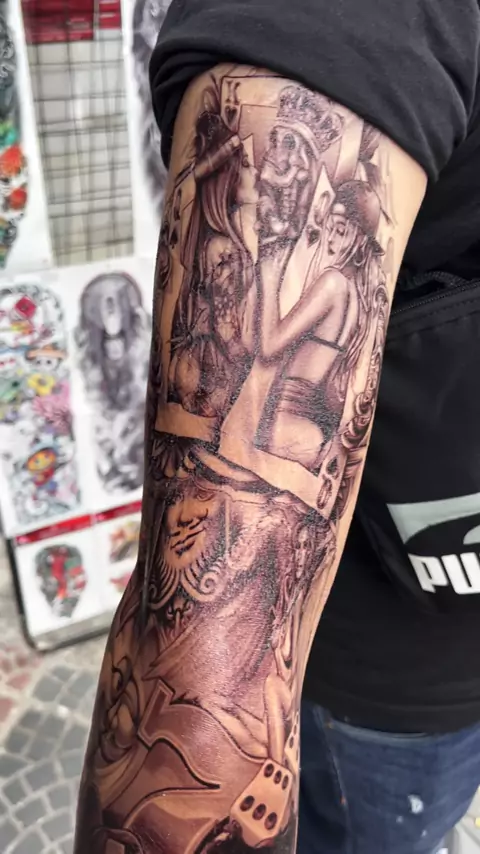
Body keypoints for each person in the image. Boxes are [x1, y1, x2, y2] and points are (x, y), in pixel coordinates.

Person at [74, 1, 480, 853]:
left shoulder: (324, 272)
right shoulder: (337, 31)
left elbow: (266, 334)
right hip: (382, 690)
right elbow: (195, 666)